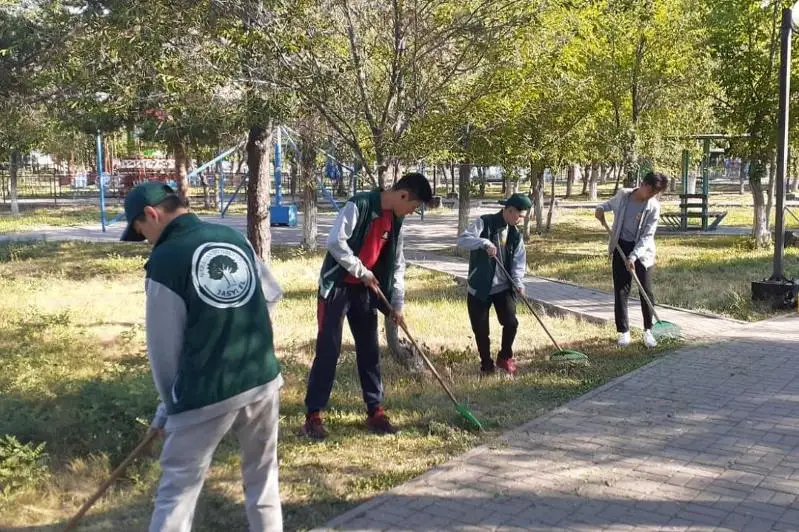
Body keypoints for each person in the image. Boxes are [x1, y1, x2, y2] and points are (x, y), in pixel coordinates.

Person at [120, 182, 284, 532]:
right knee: (263, 477)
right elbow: (271, 294)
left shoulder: (165, 261)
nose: (147, 240)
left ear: (152, 214)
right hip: (262, 379)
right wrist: (237, 328)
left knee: (177, 489)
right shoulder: (233, 237)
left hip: (205, 394)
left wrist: (169, 407)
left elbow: (165, 349)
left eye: (141, 231)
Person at [301, 173, 433, 440]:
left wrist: (397, 304)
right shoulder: (359, 205)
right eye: (414, 206)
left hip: (364, 291)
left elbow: (397, 264)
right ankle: (313, 415)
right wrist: (361, 271)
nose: (412, 211)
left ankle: (375, 411)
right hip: (337, 287)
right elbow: (335, 242)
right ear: (403, 195)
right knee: (329, 349)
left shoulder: (396, 221)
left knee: (369, 350)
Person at [456, 193, 531, 376]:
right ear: (509, 210)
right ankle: (486, 364)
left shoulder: (515, 234)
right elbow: (463, 239)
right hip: (479, 287)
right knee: (481, 330)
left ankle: (505, 357)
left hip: (503, 287)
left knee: (511, 322)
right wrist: (483, 242)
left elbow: (518, 261)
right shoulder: (485, 222)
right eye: (519, 215)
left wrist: (518, 283)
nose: (521, 219)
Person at [595, 171, 669, 348]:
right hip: (621, 246)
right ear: (643, 184)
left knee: (646, 290)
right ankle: (624, 332)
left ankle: (648, 330)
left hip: (643, 253)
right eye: (650, 191)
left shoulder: (653, 207)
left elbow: (647, 236)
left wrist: (634, 257)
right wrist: (599, 209)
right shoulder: (623, 196)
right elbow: (607, 205)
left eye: (655, 194)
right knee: (621, 290)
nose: (651, 196)